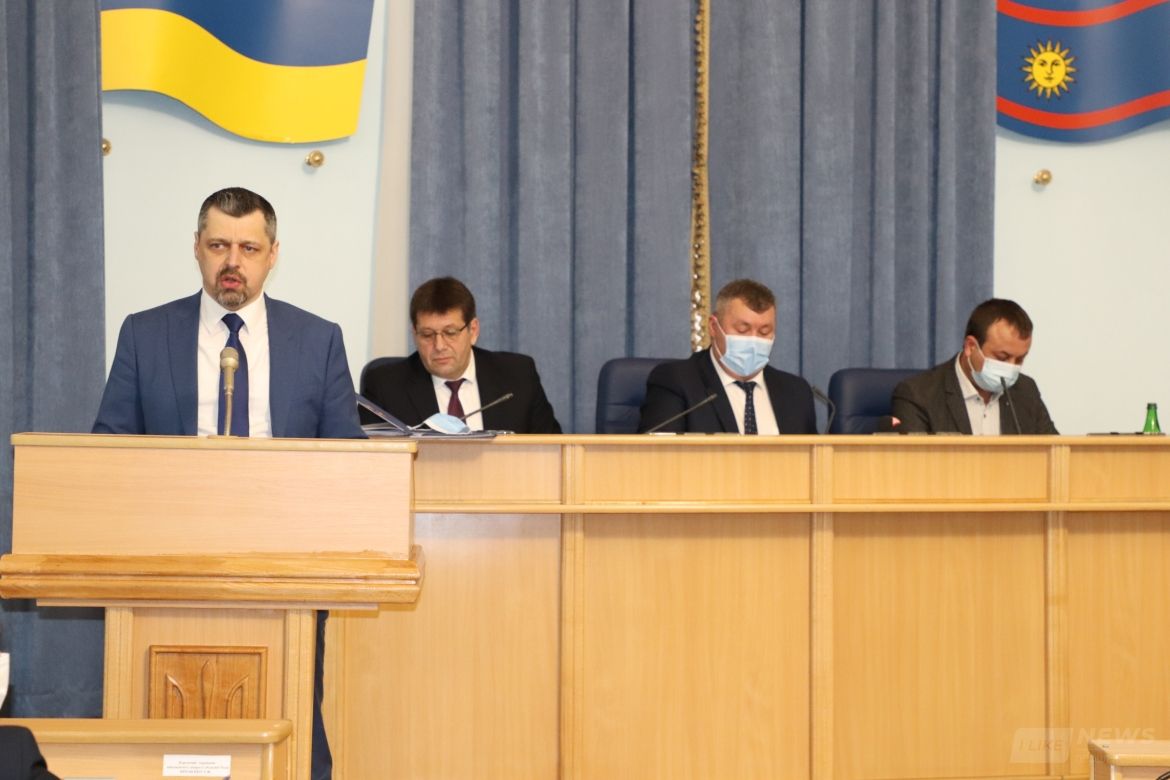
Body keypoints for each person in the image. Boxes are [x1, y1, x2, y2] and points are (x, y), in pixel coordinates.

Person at [92, 187, 362, 780]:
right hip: (168, 564)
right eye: (218, 246)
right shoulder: (145, 333)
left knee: (292, 717)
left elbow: (347, 457)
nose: (232, 262)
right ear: (196, 248)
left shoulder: (318, 339)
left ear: (272, 255)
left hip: (285, 564)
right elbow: (109, 448)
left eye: (248, 248)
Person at [362, 276, 562, 433]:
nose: (439, 346)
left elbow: (551, 452)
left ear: (473, 330)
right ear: (414, 334)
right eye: (427, 335)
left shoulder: (518, 376)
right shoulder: (385, 387)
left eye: (450, 333)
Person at [637, 278, 816, 434]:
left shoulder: (796, 392)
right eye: (742, 330)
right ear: (714, 327)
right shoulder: (676, 382)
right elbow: (657, 456)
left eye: (764, 331)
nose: (753, 340)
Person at [890, 297, 1057, 434]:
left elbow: (1055, 452)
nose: (1011, 367)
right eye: (1002, 357)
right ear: (970, 347)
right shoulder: (918, 395)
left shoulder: (1025, 390)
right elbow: (915, 462)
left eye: (1020, 359)